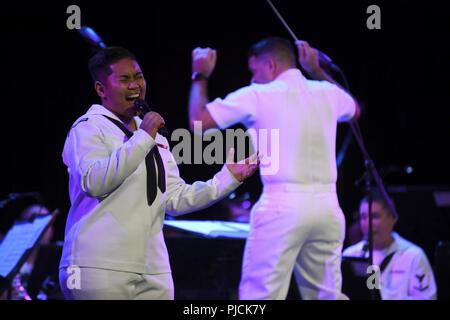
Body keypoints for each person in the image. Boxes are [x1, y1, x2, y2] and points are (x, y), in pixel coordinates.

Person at [59, 46, 259, 300]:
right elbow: (95, 182)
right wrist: (143, 137)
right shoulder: (88, 128)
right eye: (124, 79)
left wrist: (227, 178)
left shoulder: (151, 135)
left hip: (153, 268)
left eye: (138, 76)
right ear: (101, 89)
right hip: (99, 265)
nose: (135, 85)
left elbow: (173, 198)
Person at [188, 37, 360, 299]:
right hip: (328, 208)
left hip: (282, 205)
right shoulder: (327, 92)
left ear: (270, 65)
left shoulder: (259, 94)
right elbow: (354, 109)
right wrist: (317, 69)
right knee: (327, 296)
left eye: (254, 71)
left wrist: (199, 74)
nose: (252, 79)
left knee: (260, 298)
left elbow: (198, 122)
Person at [343, 189, 437, 300]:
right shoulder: (351, 255)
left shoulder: (413, 256)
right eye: (363, 217)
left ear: (393, 218)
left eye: (375, 216)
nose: (368, 223)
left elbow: (427, 298)